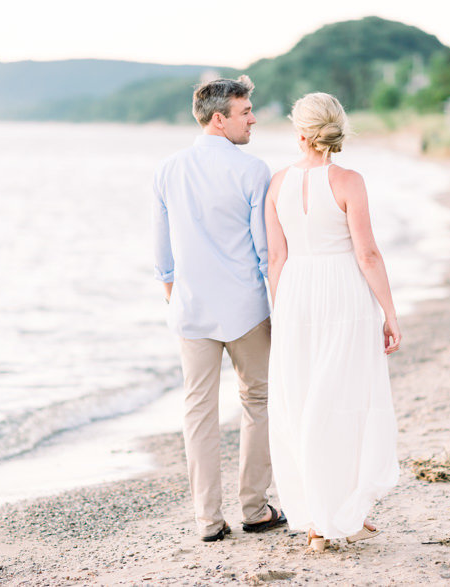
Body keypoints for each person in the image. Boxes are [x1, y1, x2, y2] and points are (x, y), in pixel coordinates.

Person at [264, 92, 401, 553]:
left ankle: (319, 520)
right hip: (342, 292)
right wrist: (389, 311)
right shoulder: (349, 181)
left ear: (299, 131)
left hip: (296, 294)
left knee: (302, 402)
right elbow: (367, 254)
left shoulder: (277, 182)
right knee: (342, 402)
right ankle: (335, 515)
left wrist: (279, 311)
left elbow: (276, 258)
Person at [152, 76, 286, 542]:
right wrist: (280, 302)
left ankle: (208, 520)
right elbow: (266, 249)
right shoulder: (252, 171)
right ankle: (254, 507)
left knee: (199, 412)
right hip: (246, 309)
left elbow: (162, 256)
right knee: (258, 403)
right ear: (219, 118)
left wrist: (178, 296)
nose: (253, 119)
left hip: (191, 310)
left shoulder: (168, 169)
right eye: (245, 111)